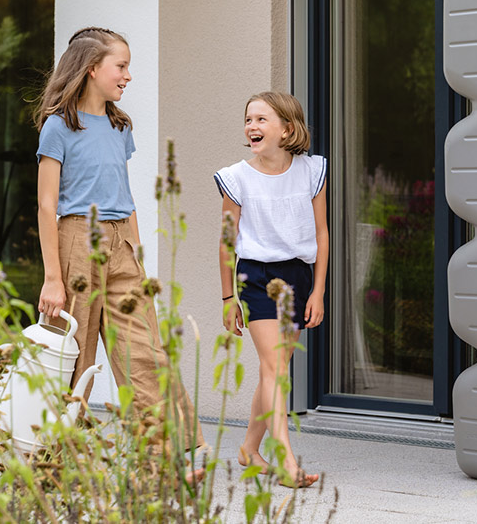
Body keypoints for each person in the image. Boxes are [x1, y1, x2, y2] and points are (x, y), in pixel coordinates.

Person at [33, 26, 205, 480]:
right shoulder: (59, 126)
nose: (128, 76)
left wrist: (137, 254)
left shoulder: (119, 125)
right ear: (92, 69)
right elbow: (46, 204)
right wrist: (53, 277)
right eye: (121, 66)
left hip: (122, 245)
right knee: (74, 356)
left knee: (145, 351)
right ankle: (52, 462)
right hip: (76, 242)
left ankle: (161, 461)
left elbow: (124, 195)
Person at [214, 91, 327, 489]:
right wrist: (229, 298)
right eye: (248, 120)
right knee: (274, 368)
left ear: (287, 129)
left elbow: (321, 232)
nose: (252, 126)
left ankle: (248, 450)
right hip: (255, 277)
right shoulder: (236, 178)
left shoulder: (311, 172)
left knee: (274, 371)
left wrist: (319, 292)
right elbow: (227, 242)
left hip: (298, 276)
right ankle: (285, 460)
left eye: (262, 119)